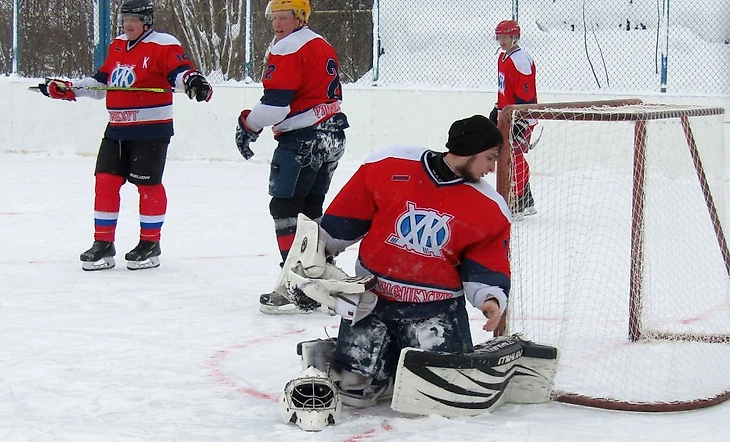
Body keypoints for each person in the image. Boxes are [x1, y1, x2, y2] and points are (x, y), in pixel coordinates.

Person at [315, 115, 511, 406]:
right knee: (352, 389)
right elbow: (347, 217)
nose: (492, 168)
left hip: (436, 312)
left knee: (443, 394)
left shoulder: (489, 207)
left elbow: (486, 259)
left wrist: (490, 297)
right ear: (469, 149)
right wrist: (317, 254)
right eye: (489, 158)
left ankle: (397, 365)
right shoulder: (390, 164)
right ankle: (367, 364)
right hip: (374, 301)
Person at [38, 0, 213, 271]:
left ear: (147, 21)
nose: (127, 23)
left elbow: (181, 72)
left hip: (151, 130)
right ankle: (103, 244)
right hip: (117, 128)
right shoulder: (117, 45)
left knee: (148, 185)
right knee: (105, 181)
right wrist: (68, 88)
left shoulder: (164, 43)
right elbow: (101, 84)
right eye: (125, 17)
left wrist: (193, 81)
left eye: (134, 18)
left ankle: (150, 243)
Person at [233, 0, 349, 312]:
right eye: (275, 18)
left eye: (285, 17)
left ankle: (295, 283)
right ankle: (320, 277)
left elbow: (276, 106)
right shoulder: (320, 43)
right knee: (310, 210)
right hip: (333, 132)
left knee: (285, 208)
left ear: (299, 18)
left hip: (304, 137)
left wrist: (249, 123)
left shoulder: (288, 47)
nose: (277, 24)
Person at [489, 19, 538, 218]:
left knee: (512, 157)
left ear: (515, 37)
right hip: (508, 116)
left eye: (506, 37)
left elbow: (526, 95)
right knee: (512, 156)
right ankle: (526, 199)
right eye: (499, 37)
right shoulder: (503, 57)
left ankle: (517, 201)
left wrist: (522, 120)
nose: (502, 41)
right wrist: (497, 108)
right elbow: (505, 89)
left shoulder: (521, 60)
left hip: (520, 117)